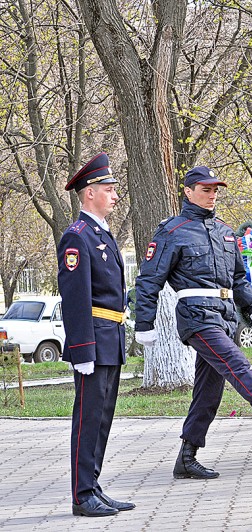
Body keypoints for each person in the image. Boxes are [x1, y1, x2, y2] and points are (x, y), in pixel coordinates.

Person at [134, 165, 252, 479]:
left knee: (209, 389)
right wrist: (144, 323)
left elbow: (238, 278)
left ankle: (186, 459)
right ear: (188, 192)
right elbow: (149, 280)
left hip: (225, 315)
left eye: (215, 189)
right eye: (205, 189)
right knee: (235, 361)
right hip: (195, 315)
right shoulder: (172, 231)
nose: (212, 194)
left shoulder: (223, 231)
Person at [57, 153, 135, 517]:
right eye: (108, 189)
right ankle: (81, 494)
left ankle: (93, 486)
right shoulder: (77, 237)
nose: (115, 195)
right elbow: (75, 299)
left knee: (102, 419)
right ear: (89, 194)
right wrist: (83, 349)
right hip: (94, 340)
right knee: (88, 419)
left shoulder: (102, 234)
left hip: (111, 336)